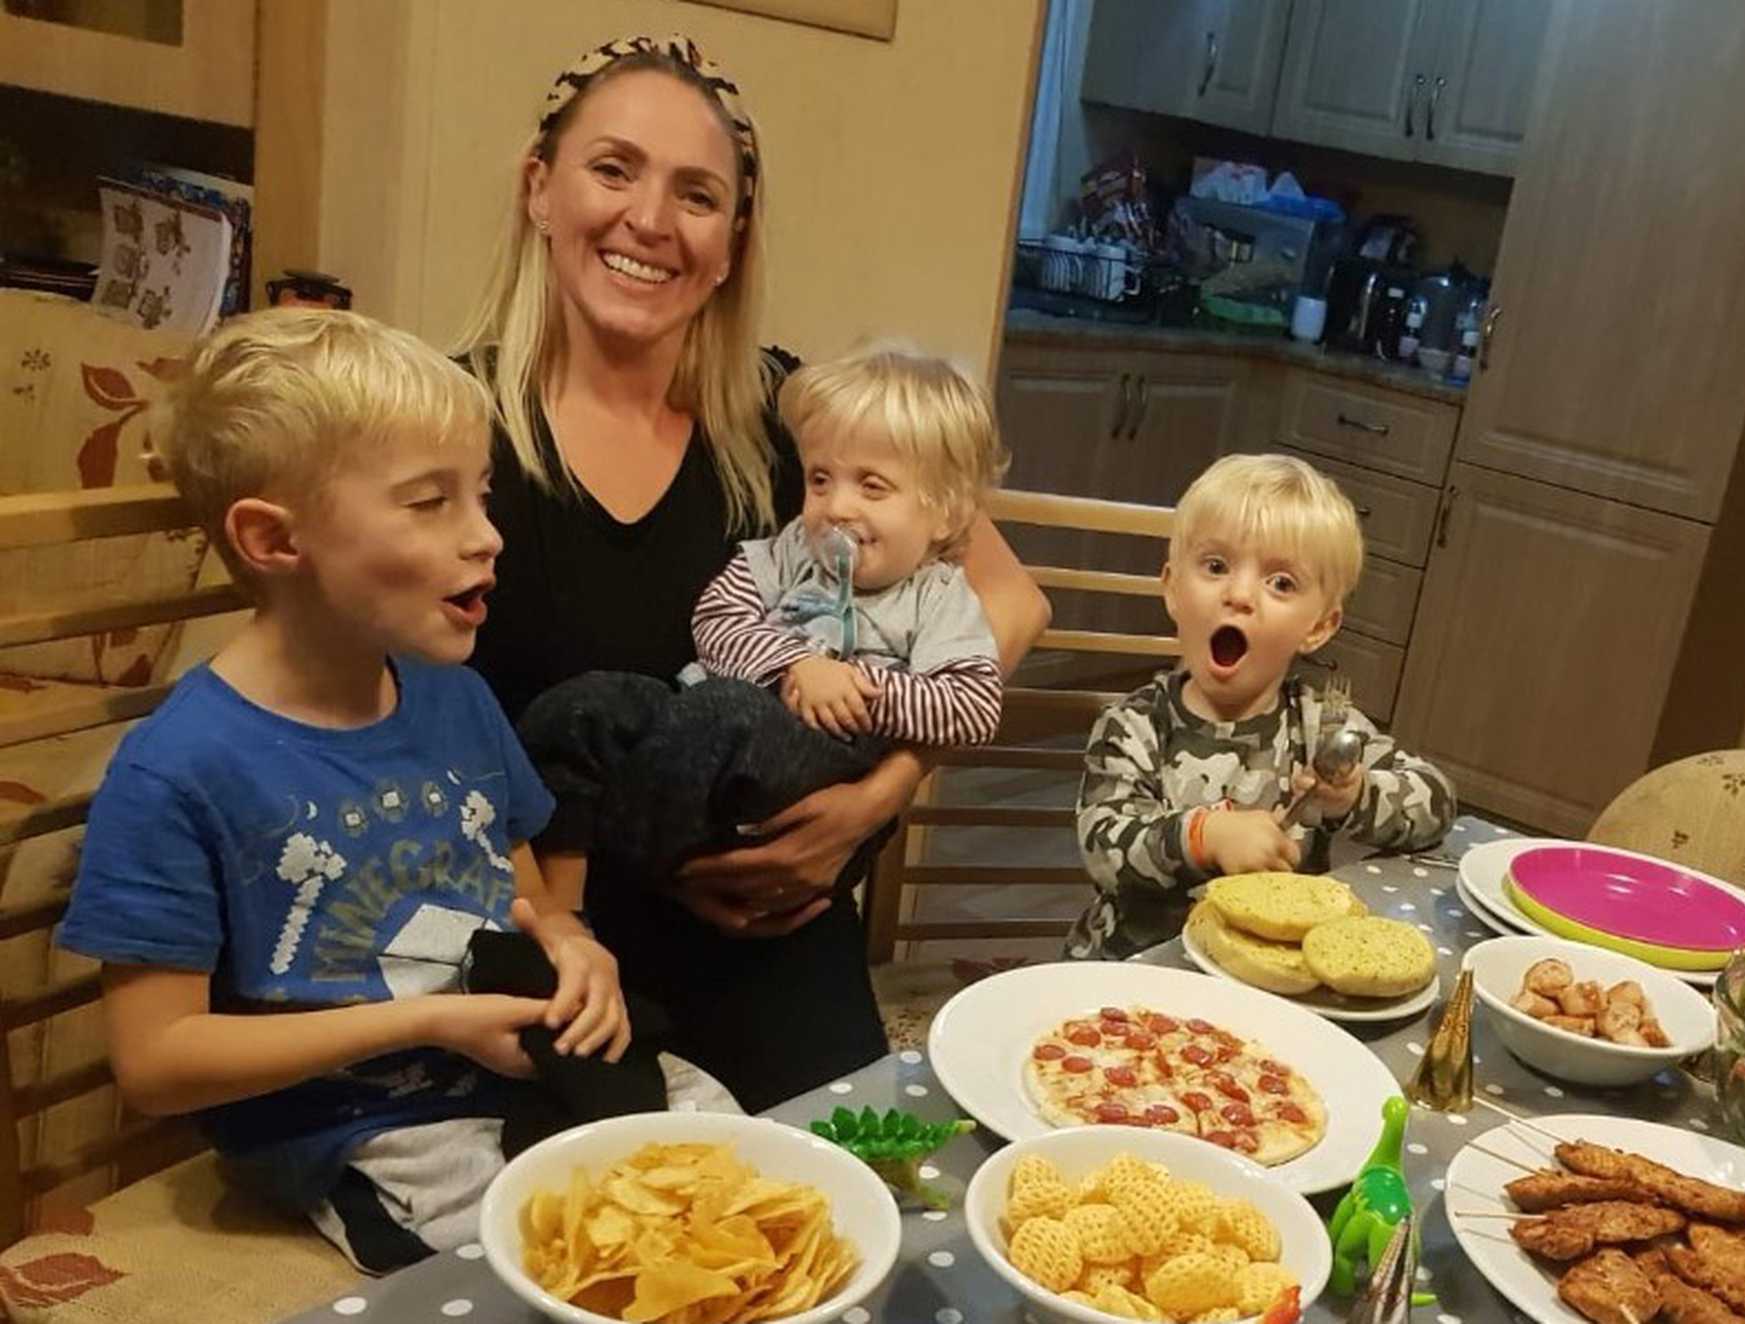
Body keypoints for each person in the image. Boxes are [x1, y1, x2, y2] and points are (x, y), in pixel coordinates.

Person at [56, 309, 736, 1273]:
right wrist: (430, 1021)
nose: (487, 537)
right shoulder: (179, 770)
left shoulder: (456, 697)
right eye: (430, 504)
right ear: (273, 539)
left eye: (483, 496)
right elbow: (157, 1063)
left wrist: (576, 951)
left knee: (731, 1167)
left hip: (514, 1060)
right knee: (572, 1256)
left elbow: (531, 906)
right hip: (359, 1123)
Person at [453, 34, 1049, 1109]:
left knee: (859, 1181)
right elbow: (392, 724)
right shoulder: (450, 426)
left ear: (731, 241)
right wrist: (550, 920)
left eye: (697, 194)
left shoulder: (792, 418)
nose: (650, 220)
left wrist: (873, 798)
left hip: (775, 910)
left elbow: (1009, 597)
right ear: (540, 189)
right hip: (544, 917)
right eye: (613, 169)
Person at [518, 342, 1009, 890]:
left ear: (946, 513)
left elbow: (973, 705)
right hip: (701, 723)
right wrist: (796, 667)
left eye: (872, 486)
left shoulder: (938, 597)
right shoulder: (793, 548)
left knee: (729, 708)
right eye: (821, 479)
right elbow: (717, 617)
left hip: (819, 767)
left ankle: (634, 869)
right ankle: (562, 899)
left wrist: (856, 691)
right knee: (586, 703)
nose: (837, 507)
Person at [1065, 454, 1458, 959]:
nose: (1240, 594)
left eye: (1281, 583)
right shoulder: (1134, 725)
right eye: (1215, 566)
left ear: (1318, 626)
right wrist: (1204, 836)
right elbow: (1104, 847)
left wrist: (1355, 797)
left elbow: (1438, 802)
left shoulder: (1323, 726)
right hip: (1133, 971)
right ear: (1172, 589)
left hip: (1271, 980)